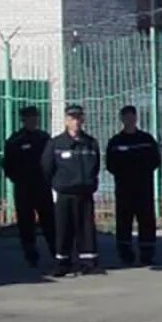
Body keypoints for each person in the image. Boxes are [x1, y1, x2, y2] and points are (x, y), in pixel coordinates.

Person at [41, 103, 101, 277]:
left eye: (78, 118)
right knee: (63, 229)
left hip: (85, 192)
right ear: (67, 121)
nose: (76, 122)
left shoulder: (90, 143)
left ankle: (88, 262)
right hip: (65, 194)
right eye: (72, 118)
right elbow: (46, 168)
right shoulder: (56, 144)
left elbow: (95, 165)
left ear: (83, 119)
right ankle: (62, 263)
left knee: (86, 229)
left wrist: (89, 182)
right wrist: (58, 184)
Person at [105, 105, 161, 266]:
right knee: (124, 222)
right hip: (124, 189)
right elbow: (110, 164)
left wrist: (141, 172)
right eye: (126, 117)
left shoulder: (146, 140)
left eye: (132, 117)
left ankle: (147, 254)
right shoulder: (115, 142)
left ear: (136, 118)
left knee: (146, 221)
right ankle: (125, 254)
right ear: (122, 119)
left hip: (144, 188)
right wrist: (124, 174)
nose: (130, 120)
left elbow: (155, 160)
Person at [1, 104, 54, 268]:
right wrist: (18, 179)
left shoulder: (44, 138)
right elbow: (7, 164)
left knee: (49, 220)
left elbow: (52, 161)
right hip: (24, 187)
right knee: (26, 221)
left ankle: (56, 250)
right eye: (30, 118)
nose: (33, 121)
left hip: (42, 186)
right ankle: (30, 253)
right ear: (24, 120)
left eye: (35, 118)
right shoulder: (15, 140)